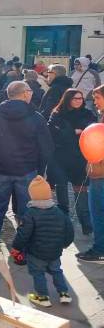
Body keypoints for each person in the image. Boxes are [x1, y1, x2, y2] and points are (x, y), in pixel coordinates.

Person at [0, 81, 54, 243]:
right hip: (26, 170)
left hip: (1, 170)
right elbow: (46, 148)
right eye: (30, 91)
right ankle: (23, 248)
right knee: (27, 211)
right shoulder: (36, 117)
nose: (32, 93)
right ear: (25, 93)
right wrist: (40, 171)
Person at [11, 176, 74, 308]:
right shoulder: (59, 212)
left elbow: (23, 234)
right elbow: (69, 230)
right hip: (55, 251)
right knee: (57, 271)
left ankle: (43, 297)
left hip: (36, 252)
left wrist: (16, 248)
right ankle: (64, 294)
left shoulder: (30, 213)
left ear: (32, 196)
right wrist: (65, 244)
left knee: (37, 273)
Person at [47, 88, 97, 234]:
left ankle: (86, 225)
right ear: (68, 99)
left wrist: (69, 132)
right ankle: (64, 225)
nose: (79, 101)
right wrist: (73, 132)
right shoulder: (57, 113)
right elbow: (52, 133)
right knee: (61, 193)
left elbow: (91, 131)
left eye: (80, 98)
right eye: (75, 98)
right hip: (59, 159)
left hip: (80, 159)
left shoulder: (88, 114)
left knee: (81, 193)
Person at [79, 85, 104, 263]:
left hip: (100, 173)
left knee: (97, 211)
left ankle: (99, 249)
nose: (94, 101)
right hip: (98, 171)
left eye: (98, 98)